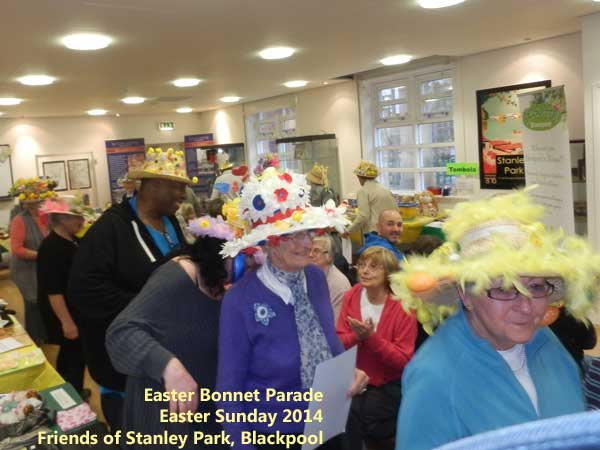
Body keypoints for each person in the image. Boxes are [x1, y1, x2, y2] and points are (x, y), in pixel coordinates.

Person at [390, 189, 600, 450]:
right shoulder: (435, 377)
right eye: (503, 289)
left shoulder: (545, 342)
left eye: (535, 287)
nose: (525, 307)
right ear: (465, 295)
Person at [218, 168, 369, 450]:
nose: (306, 243)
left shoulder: (314, 277)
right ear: (268, 242)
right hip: (275, 435)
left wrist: (350, 372)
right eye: (291, 236)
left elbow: (328, 339)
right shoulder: (240, 301)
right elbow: (229, 390)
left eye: (307, 232)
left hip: (329, 421)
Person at [68, 147, 191, 430]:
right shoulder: (110, 229)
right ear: (152, 185)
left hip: (166, 359)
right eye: (176, 187)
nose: (182, 195)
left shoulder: (170, 221)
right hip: (123, 367)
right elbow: (84, 290)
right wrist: (146, 305)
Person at [106, 216, 235, 450]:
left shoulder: (223, 284)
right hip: (164, 414)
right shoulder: (179, 275)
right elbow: (122, 332)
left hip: (203, 414)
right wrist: (169, 367)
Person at [337, 246, 417, 450]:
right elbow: (338, 343)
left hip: (387, 383)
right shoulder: (352, 295)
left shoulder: (403, 306)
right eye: (362, 265)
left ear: (389, 273)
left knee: (360, 415)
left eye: (374, 267)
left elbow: (402, 361)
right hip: (352, 377)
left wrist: (371, 338)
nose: (364, 271)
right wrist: (358, 335)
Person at [36, 196, 86, 394]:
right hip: (62, 311)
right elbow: (53, 290)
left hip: (74, 308)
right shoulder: (51, 248)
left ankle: (69, 393)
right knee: (75, 355)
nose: (81, 222)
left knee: (71, 353)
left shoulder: (74, 240)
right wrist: (67, 322)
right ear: (62, 219)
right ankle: (74, 402)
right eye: (77, 218)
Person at [8, 177, 55, 344]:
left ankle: (48, 334)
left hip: (42, 266)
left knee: (46, 300)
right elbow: (17, 249)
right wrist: (42, 256)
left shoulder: (47, 218)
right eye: (36, 203)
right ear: (28, 204)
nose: (40, 205)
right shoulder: (19, 220)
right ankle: (35, 338)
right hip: (25, 269)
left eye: (42, 201)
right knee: (33, 303)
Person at [347, 161, 397, 236]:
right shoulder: (385, 189)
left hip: (375, 232)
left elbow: (363, 216)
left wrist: (348, 231)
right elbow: (396, 210)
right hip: (389, 230)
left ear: (359, 177)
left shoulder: (363, 191)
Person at [309, 234, 351, 321]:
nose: (310, 255)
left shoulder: (339, 284)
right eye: (309, 250)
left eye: (316, 251)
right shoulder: (307, 274)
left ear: (330, 256)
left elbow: (336, 324)